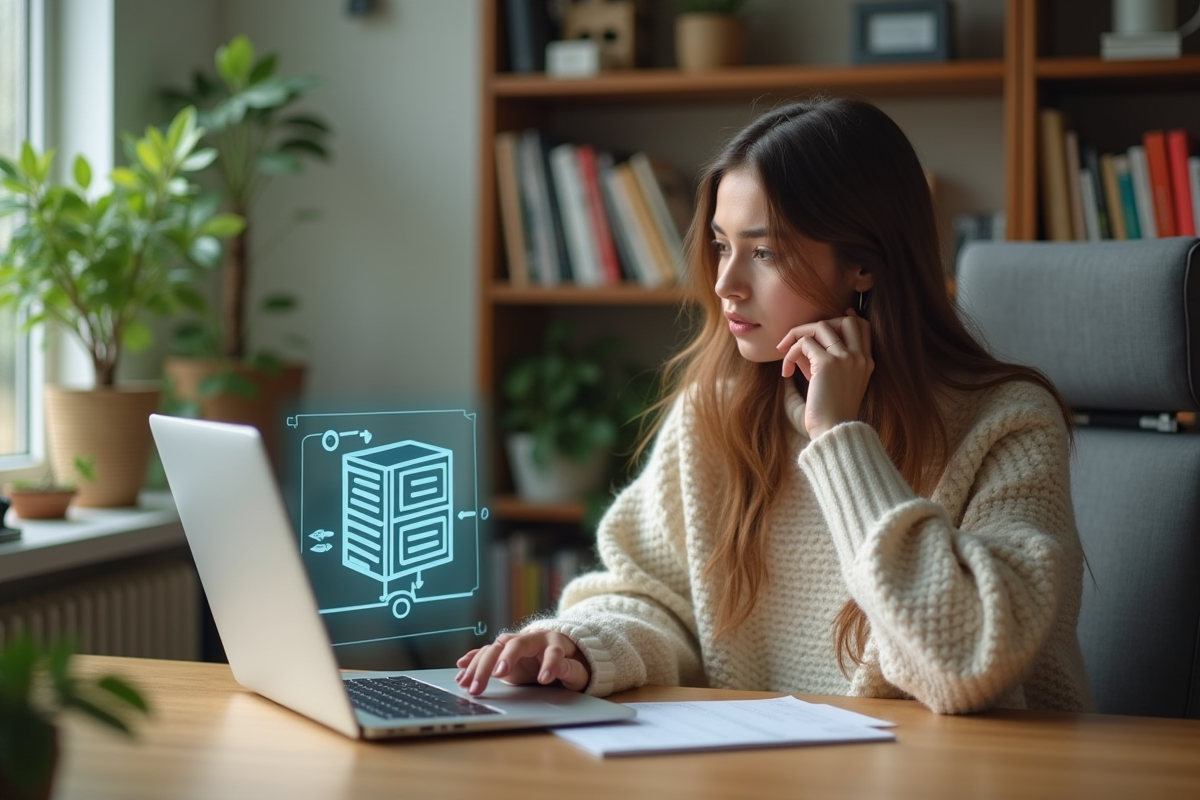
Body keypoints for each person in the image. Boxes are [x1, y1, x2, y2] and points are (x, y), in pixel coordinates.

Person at [457, 97, 1093, 714]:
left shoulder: (1009, 422)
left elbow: (969, 664)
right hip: (764, 766)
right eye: (722, 245)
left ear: (863, 266)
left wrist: (839, 438)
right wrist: (580, 645)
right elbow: (650, 595)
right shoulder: (716, 409)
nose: (725, 284)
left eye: (763, 252)